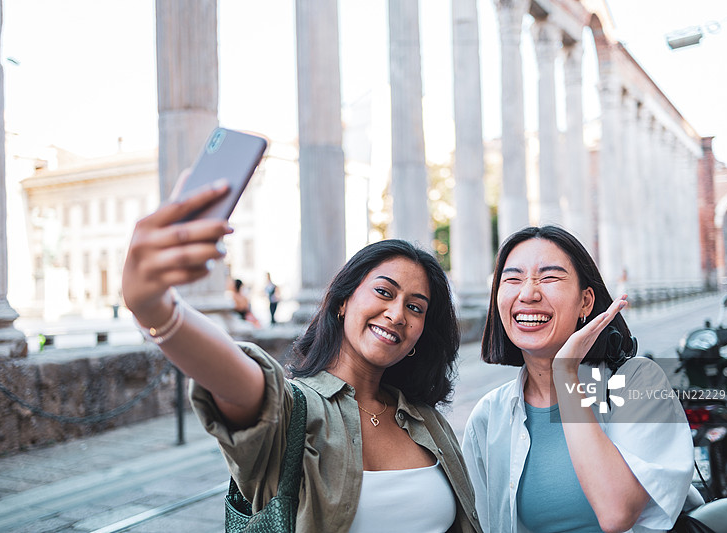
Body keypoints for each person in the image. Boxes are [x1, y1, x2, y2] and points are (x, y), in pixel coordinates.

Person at [121, 182, 482, 533]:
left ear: (420, 334)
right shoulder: (293, 412)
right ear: (343, 302)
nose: (397, 313)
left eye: (415, 307)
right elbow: (237, 377)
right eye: (384, 292)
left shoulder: (428, 422)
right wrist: (155, 307)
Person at [462, 225, 693, 533]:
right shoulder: (489, 417)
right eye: (512, 279)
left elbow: (616, 513)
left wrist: (565, 372)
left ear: (586, 301)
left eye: (550, 277)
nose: (528, 293)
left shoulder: (639, 382)